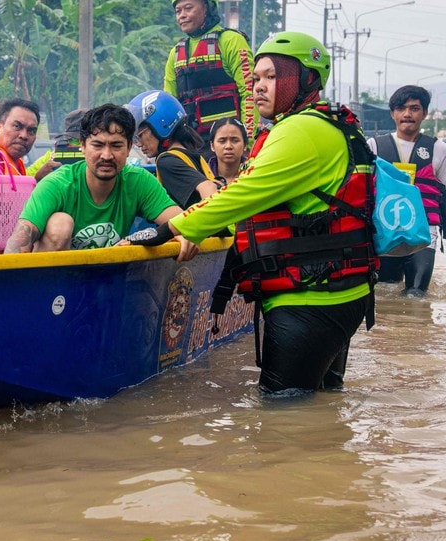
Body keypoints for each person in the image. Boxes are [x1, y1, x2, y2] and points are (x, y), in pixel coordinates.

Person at [133, 32, 376, 394]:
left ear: (304, 79)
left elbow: (243, 196)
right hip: (333, 286)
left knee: (281, 418)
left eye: (272, 77)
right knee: (321, 405)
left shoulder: (302, 130)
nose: (259, 87)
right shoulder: (324, 124)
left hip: (310, 297)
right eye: (256, 78)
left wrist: (173, 229)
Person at [4, 103, 197, 259]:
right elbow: (20, 239)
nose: (106, 155)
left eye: (116, 146)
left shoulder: (138, 182)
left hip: (108, 285)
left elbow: (182, 222)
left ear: (129, 147)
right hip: (56, 290)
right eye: (97, 145)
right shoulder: (57, 184)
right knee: (60, 223)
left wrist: (182, 235)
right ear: (83, 146)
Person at [369, 85, 446, 295]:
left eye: (414, 108)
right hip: (385, 233)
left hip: (424, 236)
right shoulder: (374, 147)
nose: (407, 114)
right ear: (393, 113)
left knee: (416, 294)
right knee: (384, 293)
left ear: (425, 114)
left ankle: (419, 328)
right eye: (401, 108)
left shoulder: (438, 150)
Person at [163, 0, 256, 138]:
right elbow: (169, 103)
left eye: (188, 8)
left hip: (228, 142)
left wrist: (247, 141)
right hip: (192, 143)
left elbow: (249, 93)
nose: (182, 16)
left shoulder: (230, 41)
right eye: (178, 11)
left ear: (207, 8)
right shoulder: (175, 53)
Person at [131, 90, 221, 209]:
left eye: (139, 136)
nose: (138, 144)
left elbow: (208, 188)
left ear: (161, 124)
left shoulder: (166, 161)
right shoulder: (190, 154)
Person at [27, 108, 86, 181]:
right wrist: (38, 178)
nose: (78, 145)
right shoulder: (51, 158)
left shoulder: (53, 156)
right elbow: (24, 179)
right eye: (73, 140)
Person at [206, 116, 248, 184]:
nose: (228, 146)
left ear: (245, 145)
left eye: (235, 140)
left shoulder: (255, 173)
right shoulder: (202, 177)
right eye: (222, 141)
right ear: (212, 146)